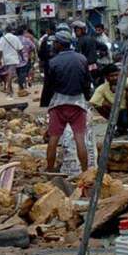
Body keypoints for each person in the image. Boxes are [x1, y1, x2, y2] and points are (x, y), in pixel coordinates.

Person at [41, 31, 93, 174]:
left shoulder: (53, 62)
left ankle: (50, 170)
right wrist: (87, 98)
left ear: (58, 44)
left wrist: (45, 104)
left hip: (58, 104)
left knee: (53, 138)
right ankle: (85, 171)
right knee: (80, 139)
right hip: (78, 103)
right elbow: (87, 81)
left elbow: (48, 86)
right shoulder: (81, 59)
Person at [90, 64, 128, 138]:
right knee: (102, 104)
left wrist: (121, 87)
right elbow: (93, 103)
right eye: (112, 76)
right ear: (106, 77)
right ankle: (120, 127)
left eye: (116, 75)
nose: (115, 78)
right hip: (120, 114)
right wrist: (108, 107)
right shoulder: (102, 88)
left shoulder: (126, 81)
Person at [0, 26, 25, 97]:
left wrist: (0, 59)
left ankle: (10, 91)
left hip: (5, 58)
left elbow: (0, 50)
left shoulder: (2, 38)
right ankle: (8, 88)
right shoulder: (15, 38)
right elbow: (20, 49)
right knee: (10, 74)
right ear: (11, 31)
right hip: (13, 58)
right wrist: (22, 57)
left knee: (8, 74)